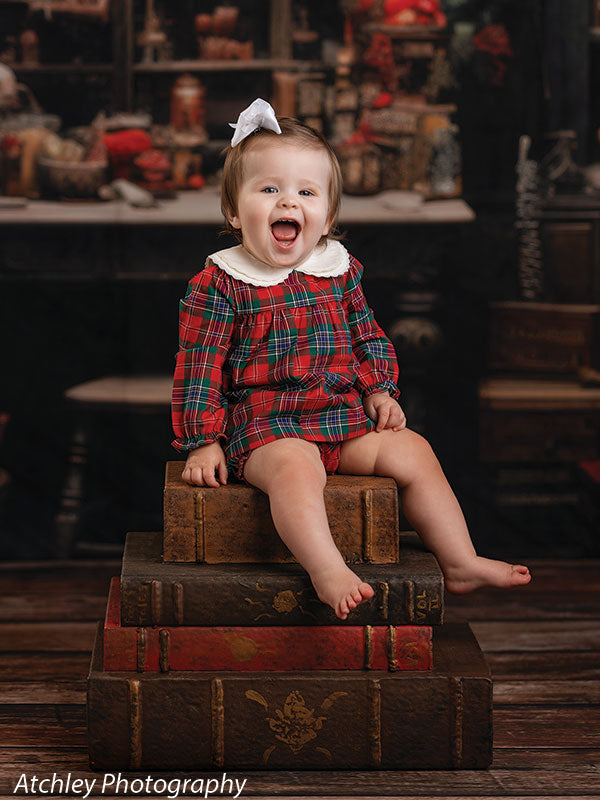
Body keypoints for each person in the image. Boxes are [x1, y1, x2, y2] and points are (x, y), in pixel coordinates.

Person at [172, 98, 531, 620]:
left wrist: (378, 388)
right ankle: (327, 569)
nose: (286, 202)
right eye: (268, 189)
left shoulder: (338, 271)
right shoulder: (220, 284)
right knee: (298, 471)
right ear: (233, 210)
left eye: (305, 192)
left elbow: (367, 337)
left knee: (414, 451)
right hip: (268, 427)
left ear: (328, 215)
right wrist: (203, 441)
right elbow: (198, 369)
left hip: (340, 417)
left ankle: (460, 560)